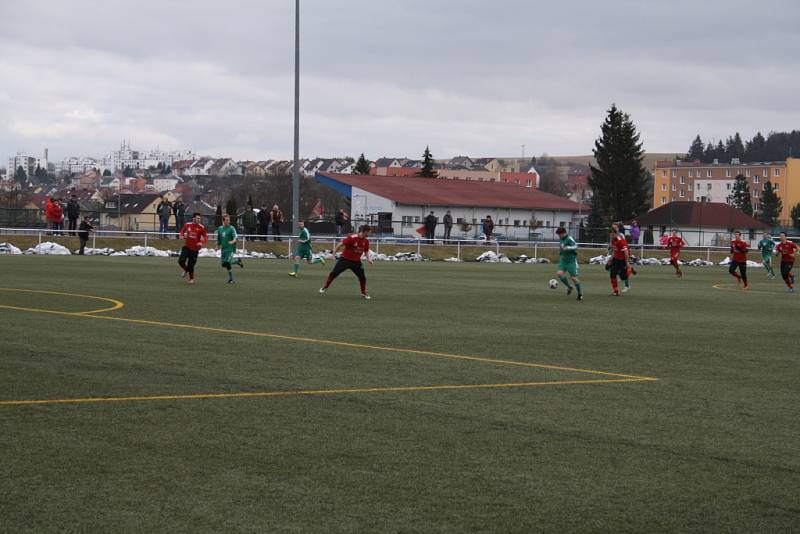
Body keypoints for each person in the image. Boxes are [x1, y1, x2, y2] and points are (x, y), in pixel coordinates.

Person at [319, 224, 373, 299]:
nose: (370, 234)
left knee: (362, 278)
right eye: (369, 232)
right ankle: (325, 287)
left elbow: (366, 251)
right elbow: (339, 244)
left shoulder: (366, 241)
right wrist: (333, 254)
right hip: (345, 260)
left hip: (356, 262)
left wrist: (368, 259)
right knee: (334, 273)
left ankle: (363, 293)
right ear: (365, 232)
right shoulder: (352, 238)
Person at [178, 212, 208, 284]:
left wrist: (201, 242)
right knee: (181, 261)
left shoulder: (201, 227)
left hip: (195, 249)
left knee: (191, 265)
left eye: (200, 218)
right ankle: (186, 270)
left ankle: (191, 279)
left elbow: (206, 237)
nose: (199, 220)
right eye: (198, 218)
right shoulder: (187, 225)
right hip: (187, 247)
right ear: (193, 218)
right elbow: (182, 232)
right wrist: (181, 235)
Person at [555, 227, 583, 301]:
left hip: (571, 262)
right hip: (563, 261)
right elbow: (562, 248)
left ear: (564, 233)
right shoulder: (561, 239)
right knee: (559, 274)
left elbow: (576, 246)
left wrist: (568, 248)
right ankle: (569, 287)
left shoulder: (570, 238)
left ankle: (580, 294)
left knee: (573, 278)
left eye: (559, 235)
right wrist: (561, 252)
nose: (559, 236)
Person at [216, 214, 244, 284]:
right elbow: (219, 239)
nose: (228, 221)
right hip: (223, 249)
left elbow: (236, 237)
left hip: (230, 249)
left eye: (229, 220)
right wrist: (217, 246)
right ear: (223, 221)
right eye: (227, 220)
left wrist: (232, 241)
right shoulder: (220, 229)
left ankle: (232, 279)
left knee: (227, 262)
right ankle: (237, 261)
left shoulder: (232, 228)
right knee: (224, 264)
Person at [606, 227, 631, 296]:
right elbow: (615, 250)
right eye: (610, 235)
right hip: (616, 259)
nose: (611, 236)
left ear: (616, 233)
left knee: (623, 277)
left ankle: (629, 270)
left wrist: (627, 262)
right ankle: (616, 291)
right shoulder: (613, 240)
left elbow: (626, 252)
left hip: (623, 260)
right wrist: (611, 259)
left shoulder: (621, 241)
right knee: (612, 273)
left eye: (612, 235)